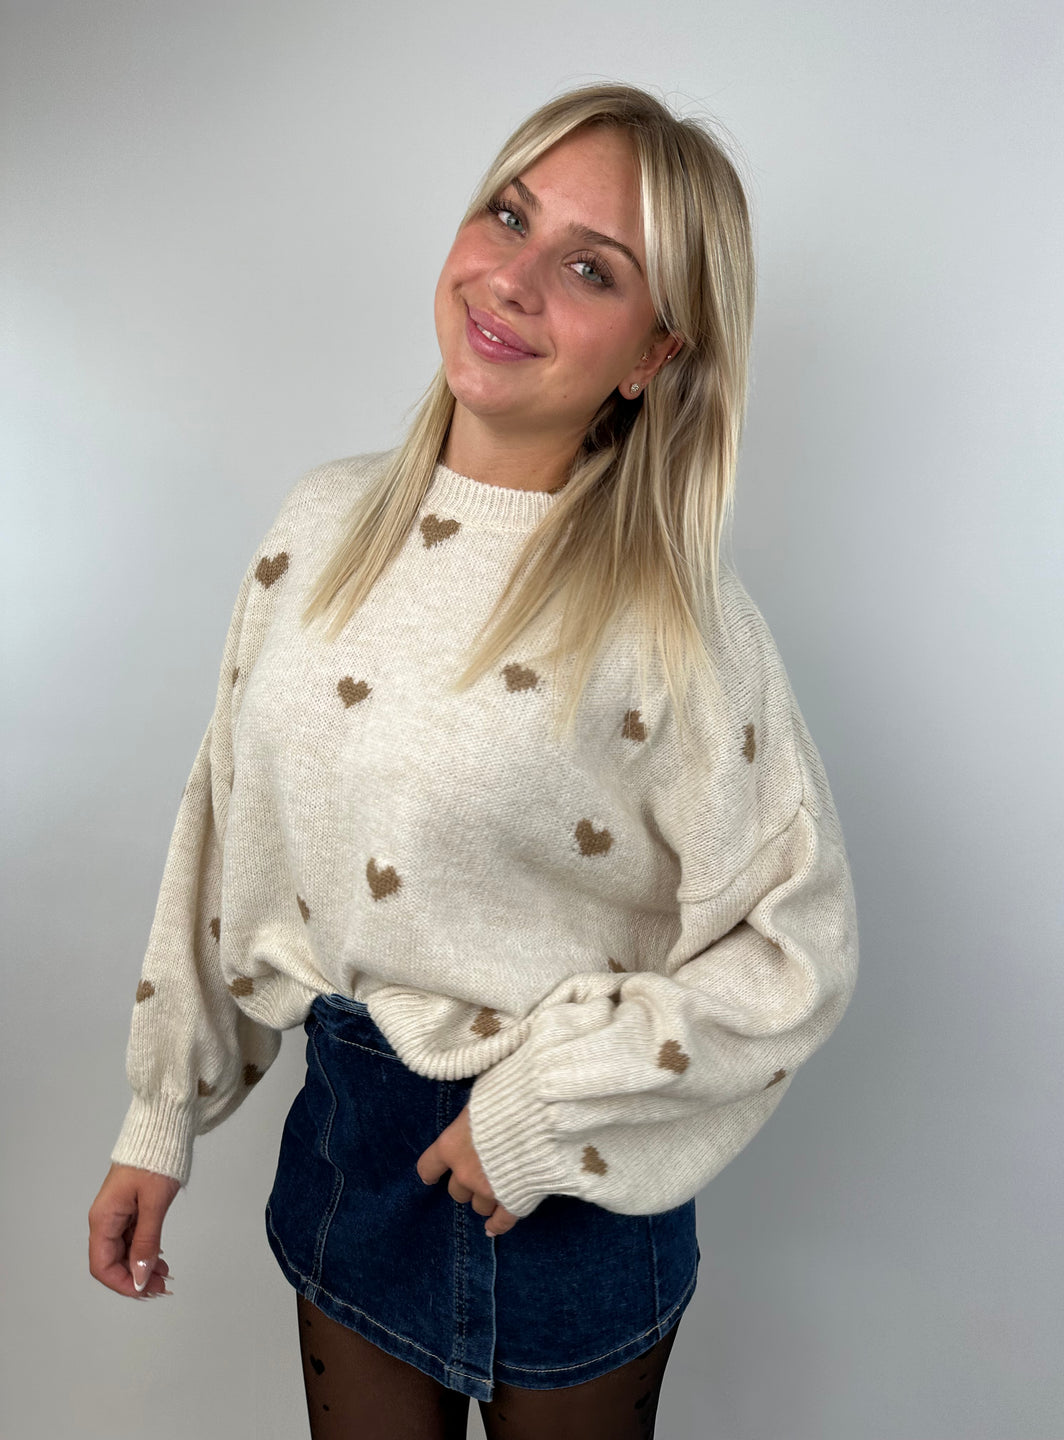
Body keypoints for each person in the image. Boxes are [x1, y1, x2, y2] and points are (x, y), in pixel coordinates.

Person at [87, 81, 859, 1439]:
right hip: (350, 1152)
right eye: (509, 215)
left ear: (655, 353)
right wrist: (163, 1112)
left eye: (590, 268)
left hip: (571, 1184)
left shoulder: (677, 622)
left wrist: (544, 1109)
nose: (512, 279)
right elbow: (227, 824)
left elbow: (795, 946)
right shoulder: (319, 527)